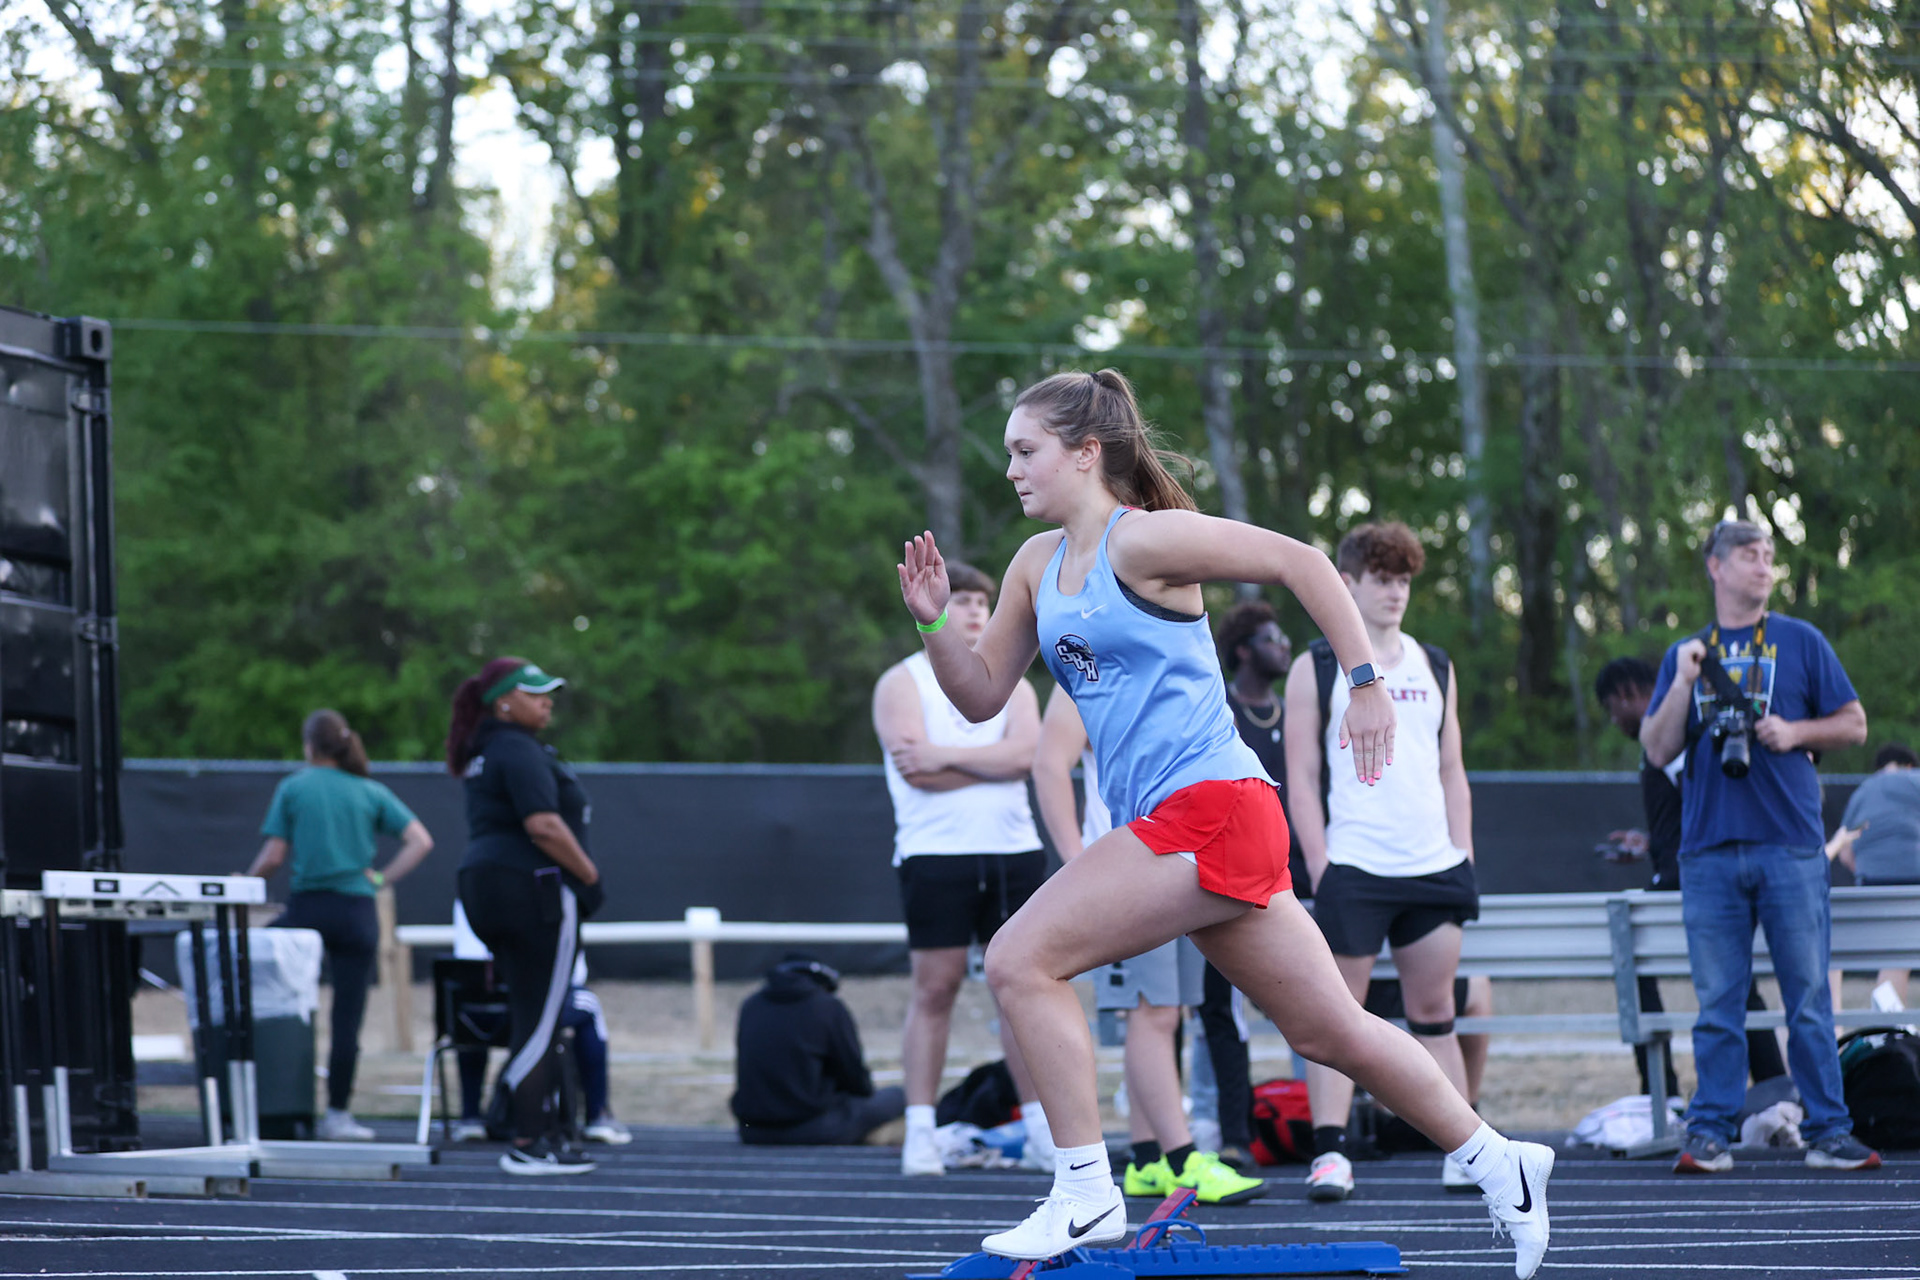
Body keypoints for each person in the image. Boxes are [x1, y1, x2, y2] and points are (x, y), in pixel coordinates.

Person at [897, 368, 1552, 1277]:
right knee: (1333, 1032)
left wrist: (1363, 685)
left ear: (1086, 453)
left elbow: (1304, 563)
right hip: (1193, 825)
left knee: (1018, 958)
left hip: (1212, 808)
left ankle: (1086, 1191)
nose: (1010, 469)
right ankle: (1503, 1161)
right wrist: (935, 627)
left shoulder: (1147, 541)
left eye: (1025, 450)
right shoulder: (1033, 566)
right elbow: (978, 697)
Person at [1641, 518, 1880, 1174]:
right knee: (1718, 1002)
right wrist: (1686, 683)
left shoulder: (1802, 641)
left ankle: (1829, 1130)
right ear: (1715, 567)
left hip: (1790, 846)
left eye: (1769, 555)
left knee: (1807, 997)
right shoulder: (1686, 653)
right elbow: (1657, 748)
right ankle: (1709, 1132)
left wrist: (1794, 729)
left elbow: (1855, 725)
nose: (1763, 565)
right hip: (1710, 849)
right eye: (1749, 555)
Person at [1282, 521, 1481, 1201]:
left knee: (1435, 1014)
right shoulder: (1315, 665)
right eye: (1381, 579)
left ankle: (1465, 1148)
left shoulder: (1436, 663)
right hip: (1355, 865)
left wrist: (1464, 853)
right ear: (1348, 583)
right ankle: (1331, 1153)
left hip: (1433, 864)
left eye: (1403, 581)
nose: (1395, 592)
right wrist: (1321, 862)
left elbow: (1453, 770)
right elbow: (1301, 776)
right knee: (1338, 1017)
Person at [1031, 685, 1266, 1205]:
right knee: (1152, 1013)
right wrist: (1077, 864)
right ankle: (1184, 1162)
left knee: (1168, 1012)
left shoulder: (1153, 663)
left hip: (1174, 861)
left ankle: (1145, 1158)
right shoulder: (1080, 670)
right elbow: (1049, 765)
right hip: (1124, 870)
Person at [873, 561, 1054, 1178]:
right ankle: (919, 1133)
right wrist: (988, 758)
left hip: (1013, 853)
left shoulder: (1018, 684)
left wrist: (947, 754)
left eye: (984, 601)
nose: (975, 611)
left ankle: (1039, 1131)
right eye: (967, 600)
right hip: (935, 855)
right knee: (935, 990)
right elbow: (913, 770)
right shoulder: (901, 682)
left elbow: (1024, 757)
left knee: (1023, 993)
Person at [1593, 656, 1787, 1096]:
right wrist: (1651, 842)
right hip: (1689, 876)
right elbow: (1688, 810)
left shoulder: (1672, 738)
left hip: (1691, 883)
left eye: (1612, 707)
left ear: (1627, 695)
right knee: (1737, 986)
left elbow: (1704, 799)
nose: (1613, 719)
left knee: (1635, 964)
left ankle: (1660, 1092)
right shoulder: (1671, 740)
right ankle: (1774, 1088)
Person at [448, 656, 605, 1175]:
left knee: (533, 1009)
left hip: (483, 884)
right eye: (535, 693)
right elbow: (543, 824)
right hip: (530, 889)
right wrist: (589, 877)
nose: (547, 702)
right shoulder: (517, 748)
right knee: (541, 1016)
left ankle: (549, 1133)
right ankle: (529, 1141)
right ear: (504, 702)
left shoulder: (487, 750)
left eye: (548, 693)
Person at [245, 709, 434, 1142]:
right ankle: (337, 1115)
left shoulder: (294, 786)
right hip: (356, 913)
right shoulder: (369, 790)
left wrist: (245, 888)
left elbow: (273, 857)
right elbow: (421, 841)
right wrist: (382, 877)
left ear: (309, 746)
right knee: (347, 1020)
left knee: (276, 1003)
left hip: (308, 911)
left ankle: (274, 1102)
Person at [448, 900, 631, 1146]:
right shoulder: (551, 890)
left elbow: (467, 962)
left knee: (471, 1009)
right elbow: (571, 975)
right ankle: (596, 1115)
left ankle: (470, 1116)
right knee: (587, 1005)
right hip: (533, 1012)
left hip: (480, 1017)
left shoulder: (473, 881)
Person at [732, 954, 906, 1145]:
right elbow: (855, 1079)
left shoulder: (750, 1005)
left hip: (752, 1131)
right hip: (816, 1127)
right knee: (899, 1095)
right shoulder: (827, 1007)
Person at [1826, 742, 1920, 1007]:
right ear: (1909, 765)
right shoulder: (1916, 780)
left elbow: (1845, 851)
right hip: (1915, 881)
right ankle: (1889, 1016)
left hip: (1872, 885)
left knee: (1893, 959)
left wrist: (1869, 870)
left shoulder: (1864, 791)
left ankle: (1887, 1016)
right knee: (1899, 960)